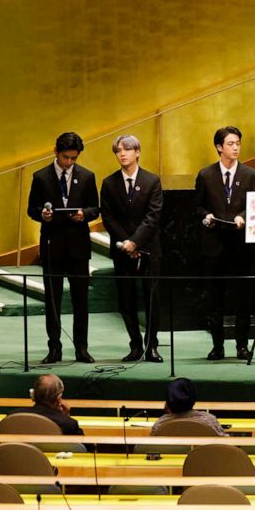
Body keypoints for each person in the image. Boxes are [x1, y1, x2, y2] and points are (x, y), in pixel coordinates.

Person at [27, 132, 99, 364]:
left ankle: (82, 348)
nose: (69, 162)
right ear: (56, 152)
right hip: (52, 245)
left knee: (81, 300)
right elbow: (32, 209)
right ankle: (54, 347)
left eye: (73, 158)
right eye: (66, 157)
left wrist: (83, 214)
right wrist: (43, 215)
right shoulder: (40, 177)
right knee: (53, 300)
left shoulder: (87, 177)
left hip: (78, 247)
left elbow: (95, 209)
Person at [195, 126, 255, 360]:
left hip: (240, 245)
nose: (235, 148)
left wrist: (243, 215)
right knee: (215, 299)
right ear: (219, 147)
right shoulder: (206, 175)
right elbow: (198, 206)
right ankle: (217, 346)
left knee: (242, 299)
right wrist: (205, 216)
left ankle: (242, 346)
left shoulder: (250, 175)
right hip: (214, 245)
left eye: (238, 144)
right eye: (231, 144)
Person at [100, 135, 164, 362]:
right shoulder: (109, 183)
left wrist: (135, 241)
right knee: (126, 300)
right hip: (122, 249)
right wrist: (126, 243)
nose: (122, 154)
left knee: (151, 299)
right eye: (118, 151)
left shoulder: (152, 180)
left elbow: (153, 216)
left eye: (127, 149)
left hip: (148, 249)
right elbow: (108, 217)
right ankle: (135, 344)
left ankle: (152, 346)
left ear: (137, 152)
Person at [150, 377, 227, 436]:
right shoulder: (209, 421)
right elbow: (226, 446)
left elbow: (151, 448)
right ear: (194, 399)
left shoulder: (160, 424)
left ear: (167, 403)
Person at [17, 374, 84, 435]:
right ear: (58, 398)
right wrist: (66, 417)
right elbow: (87, 448)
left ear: (33, 394)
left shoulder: (14, 416)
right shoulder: (68, 424)